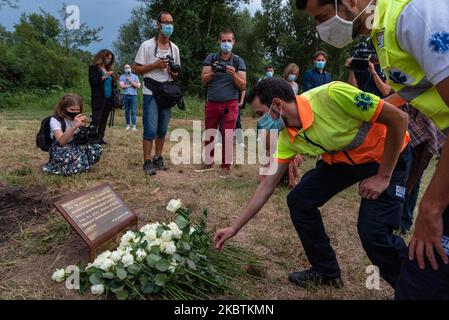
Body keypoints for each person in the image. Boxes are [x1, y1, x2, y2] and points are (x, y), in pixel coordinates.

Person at [296, 0, 449, 300]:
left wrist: (429, 208)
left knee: (423, 276)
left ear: (350, 1)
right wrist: (360, 111)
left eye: (323, 17)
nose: (320, 29)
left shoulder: (411, 15)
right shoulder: (382, 33)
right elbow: (407, 95)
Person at [214, 78, 411, 289]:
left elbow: (399, 118)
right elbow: (267, 185)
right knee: (299, 200)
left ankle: (416, 288)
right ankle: (326, 272)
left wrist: (383, 176)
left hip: (387, 155)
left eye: (261, 114)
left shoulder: (333, 94)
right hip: (344, 160)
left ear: (278, 105)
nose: (260, 122)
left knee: (373, 232)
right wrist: (234, 228)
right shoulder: (288, 136)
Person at [132, 11, 181, 176]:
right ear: (158, 24)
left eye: (171, 23)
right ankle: (146, 162)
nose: (169, 26)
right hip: (150, 91)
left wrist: (171, 70)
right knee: (150, 129)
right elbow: (135, 68)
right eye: (165, 22)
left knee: (162, 129)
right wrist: (154, 65)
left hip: (167, 92)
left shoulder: (174, 49)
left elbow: (176, 74)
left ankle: (158, 157)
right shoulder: (146, 46)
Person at [200, 28, 247, 177]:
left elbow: (243, 85)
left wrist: (233, 74)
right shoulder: (211, 58)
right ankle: (208, 161)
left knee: (227, 135)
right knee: (210, 133)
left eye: (229, 40)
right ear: (218, 42)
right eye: (223, 40)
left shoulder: (238, 60)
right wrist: (214, 72)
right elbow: (203, 80)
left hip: (230, 103)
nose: (226, 43)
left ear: (234, 42)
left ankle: (225, 167)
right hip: (212, 101)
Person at [399, 105, 446, 233]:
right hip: (421, 127)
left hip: (424, 129)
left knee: (410, 177)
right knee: (412, 177)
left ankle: (403, 220)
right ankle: (403, 220)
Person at [42, 93, 102, 176]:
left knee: (96, 148)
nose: (75, 112)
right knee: (72, 155)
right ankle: (73, 165)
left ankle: (79, 164)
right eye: (72, 110)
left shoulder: (78, 118)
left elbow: (83, 139)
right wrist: (74, 126)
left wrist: (87, 130)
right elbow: (61, 141)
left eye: (77, 110)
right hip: (60, 148)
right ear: (63, 108)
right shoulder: (55, 120)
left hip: (75, 146)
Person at [89, 49, 117, 145]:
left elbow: (110, 84)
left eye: (110, 59)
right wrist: (105, 77)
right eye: (107, 58)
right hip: (98, 97)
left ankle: (100, 138)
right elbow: (93, 82)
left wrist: (114, 79)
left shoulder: (108, 69)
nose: (108, 60)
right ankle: (92, 138)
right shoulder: (94, 67)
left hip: (109, 98)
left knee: (104, 118)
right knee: (96, 118)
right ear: (102, 57)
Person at [119, 64, 141, 132]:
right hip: (125, 95)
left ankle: (134, 126)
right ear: (124, 69)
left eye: (128, 67)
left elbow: (138, 86)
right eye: (125, 68)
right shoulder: (122, 77)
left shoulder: (135, 76)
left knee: (133, 111)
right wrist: (131, 85)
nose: (127, 69)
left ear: (130, 68)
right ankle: (127, 125)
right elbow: (122, 86)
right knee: (127, 111)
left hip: (133, 96)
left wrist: (130, 81)